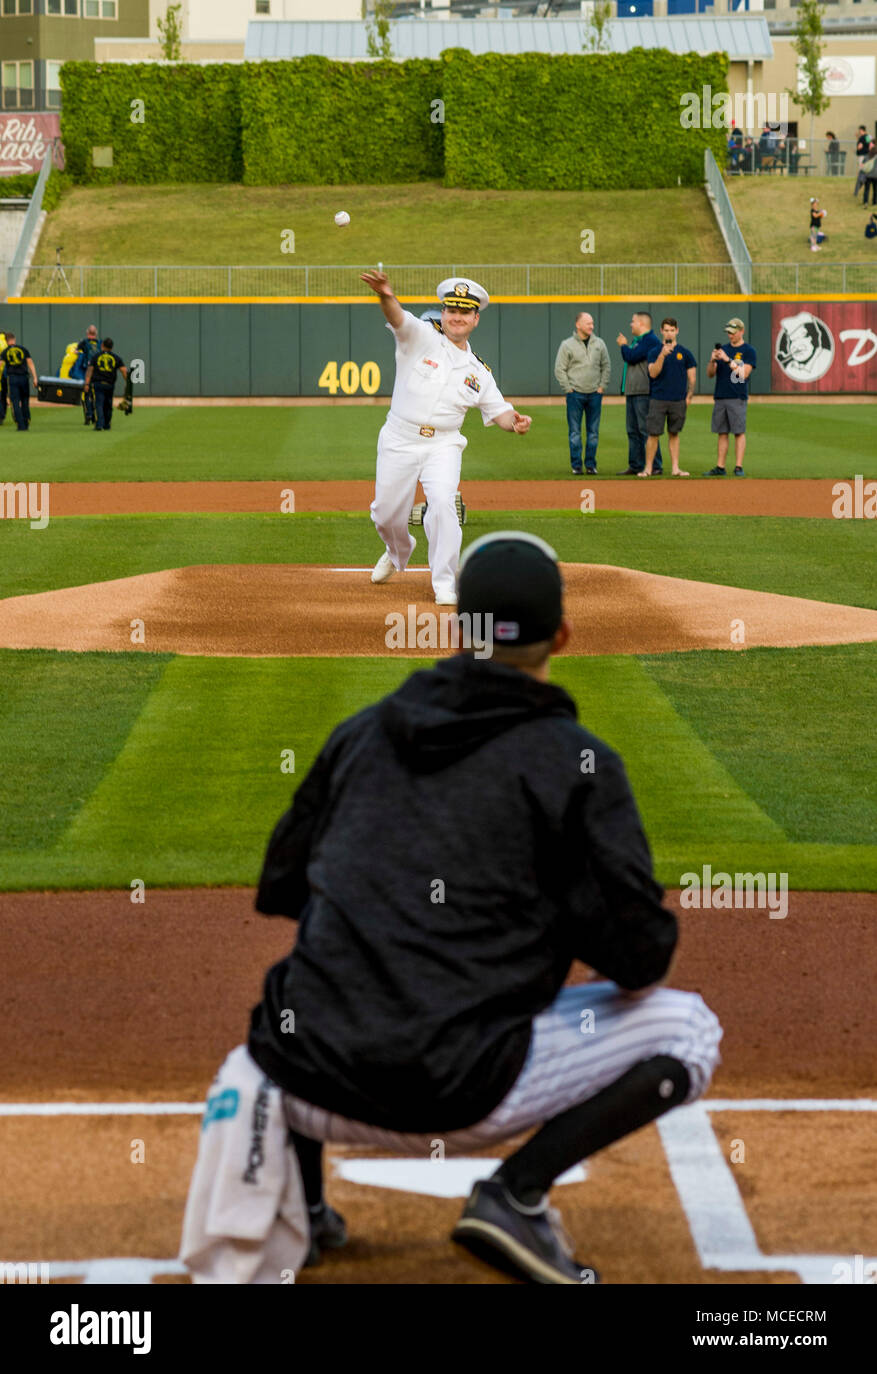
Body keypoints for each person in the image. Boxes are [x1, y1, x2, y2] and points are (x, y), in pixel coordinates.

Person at [180, 531, 722, 1285]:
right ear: (560, 635)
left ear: (455, 628)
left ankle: (304, 1211)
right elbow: (640, 960)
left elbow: (282, 888)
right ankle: (514, 1194)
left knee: (304, 982)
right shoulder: (576, 761)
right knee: (689, 1029)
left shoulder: (361, 734)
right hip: (469, 1094)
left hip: (309, 1082)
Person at [361, 271, 531, 608]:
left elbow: (499, 411)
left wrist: (516, 422)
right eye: (451, 310)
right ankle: (397, 552)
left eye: (464, 312)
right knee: (385, 515)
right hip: (399, 438)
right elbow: (397, 317)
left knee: (442, 504)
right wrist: (385, 295)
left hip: (443, 444)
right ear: (443, 313)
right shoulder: (420, 338)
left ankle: (444, 582)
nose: (457, 317)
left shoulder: (478, 371)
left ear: (475, 319)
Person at [638, 318, 696, 478]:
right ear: (661, 331)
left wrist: (689, 397)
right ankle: (648, 468)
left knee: (674, 433)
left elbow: (692, 377)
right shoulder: (654, 352)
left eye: (672, 330)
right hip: (658, 399)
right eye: (666, 330)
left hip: (678, 399)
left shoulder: (685, 353)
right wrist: (662, 355)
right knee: (653, 434)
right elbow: (653, 373)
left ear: (677, 331)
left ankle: (675, 468)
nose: (669, 333)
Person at [554, 311, 610, 476]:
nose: (591, 326)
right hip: (575, 394)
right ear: (578, 325)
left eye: (592, 323)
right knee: (575, 432)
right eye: (588, 323)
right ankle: (577, 466)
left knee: (593, 432)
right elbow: (559, 369)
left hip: (595, 393)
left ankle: (591, 465)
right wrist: (568, 388)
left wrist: (602, 387)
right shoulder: (567, 345)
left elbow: (606, 366)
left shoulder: (599, 344)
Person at [703, 317, 757, 478]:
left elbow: (744, 374)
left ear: (742, 332)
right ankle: (720, 466)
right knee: (722, 432)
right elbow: (710, 374)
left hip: (737, 396)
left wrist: (728, 360)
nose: (730, 335)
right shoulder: (724, 350)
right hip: (721, 395)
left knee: (739, 432)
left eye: (733, 332)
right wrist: (712, 361)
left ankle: (738, 466)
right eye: (728, 332)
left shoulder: (748, 350)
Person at [615, 311, 663, 476]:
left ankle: (655, 466)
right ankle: (636, 465)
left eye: (633, 321)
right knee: (633, 430)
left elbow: (632, 356)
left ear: (642, 324)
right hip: (633, 391)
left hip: (644, 391)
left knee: (646, 430)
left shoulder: (650, 340)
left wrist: (623, 345)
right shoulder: (639, 341)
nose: (631, 324)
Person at [83, 338, 127, 431]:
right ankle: (107, 424)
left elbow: (89, 371)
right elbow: (124, 371)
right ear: (112, 347)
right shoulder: (116, 357)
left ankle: (99, 424)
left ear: (102, 345)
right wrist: (128, 384)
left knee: (99, 404)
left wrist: (87, 384)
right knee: (108, 404)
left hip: (98, 384)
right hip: (110, 384)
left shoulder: (96, 356)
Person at [0, 332, 38, 432]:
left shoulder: (5, 352)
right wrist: (35, 378)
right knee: (25, 400)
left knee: (15, 402)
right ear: (14, 339)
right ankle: (26, 421)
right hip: (24, 378)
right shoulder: (23, 349)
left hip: (12, 378)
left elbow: (0, 365)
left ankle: (20, 425)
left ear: (6, 341)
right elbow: (30, 363)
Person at [74, 323, 101, 424]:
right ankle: (95, 416)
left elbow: (76, 352)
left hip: (87, 372)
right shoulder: (100, 343)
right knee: (97, 395)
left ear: (87, 333)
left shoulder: (84, 342)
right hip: (99, 373)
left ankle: (88, 414)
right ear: (96, 333)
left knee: (86, 394)